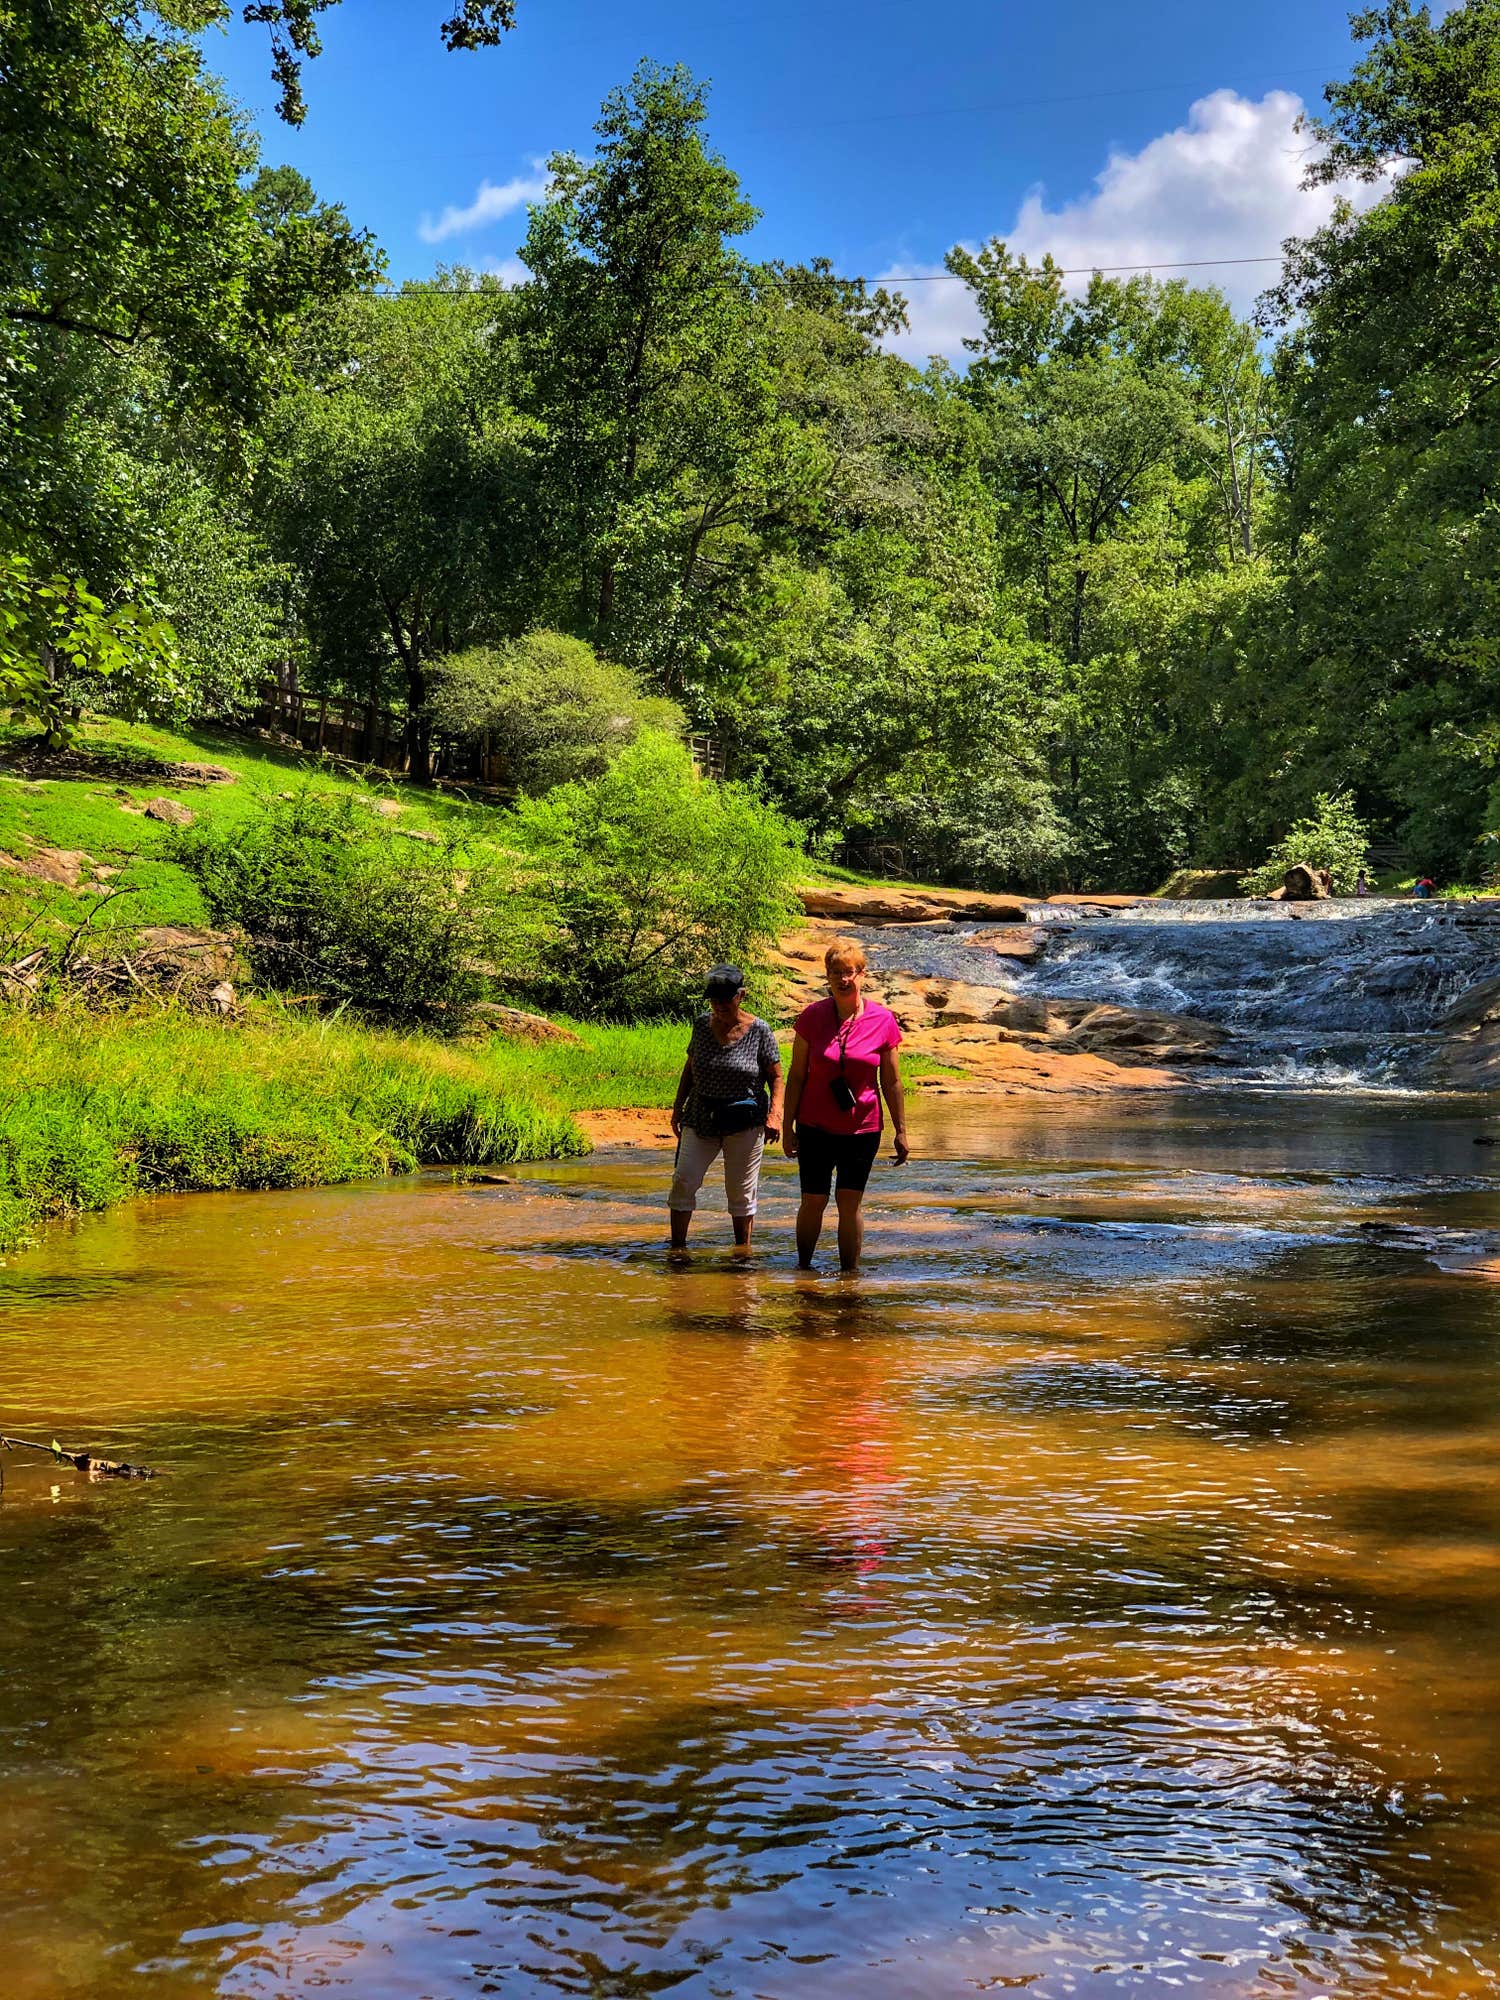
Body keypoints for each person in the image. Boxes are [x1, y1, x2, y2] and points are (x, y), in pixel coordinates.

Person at [783, 940, 909, 1273]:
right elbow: (796, 1076)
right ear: (827, 976)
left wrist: (901, 1131)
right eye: (836, 973)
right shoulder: (812, 1017)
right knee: (813, 1201)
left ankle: (849, 1277)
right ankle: (803, 1271)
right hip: (814, 1127)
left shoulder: (883, 1020)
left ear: (862, 975)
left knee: (849, 1203)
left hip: (862, 1129)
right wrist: (787, 1127)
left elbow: (892, 1082)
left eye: (849, 973)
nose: (843, 980)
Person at [668, 965, 783, 1257]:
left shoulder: (760, 1030)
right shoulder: (701, 1025)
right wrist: (677, 1107)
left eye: (725, 999)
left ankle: (741, 1254)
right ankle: (678, 1251)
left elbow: (776, 1077)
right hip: (700, 1115)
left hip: (745, 1121)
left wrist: (775, 1115)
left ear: (740, 995)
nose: (719, 1005)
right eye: (714, 1000)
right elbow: (690, 1068)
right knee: (684, 1180)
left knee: (741, 1191)